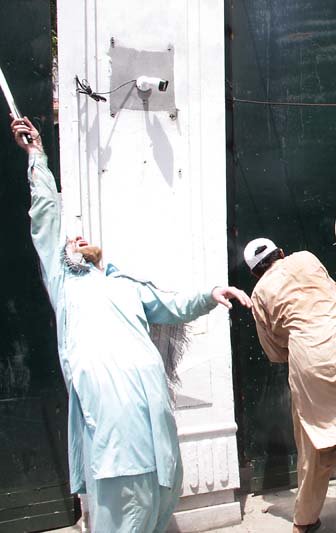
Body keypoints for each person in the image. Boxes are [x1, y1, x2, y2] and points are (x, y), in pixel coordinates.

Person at [10, 116, 252, 532]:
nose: (76, 240)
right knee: (123, 501)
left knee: (163, 489)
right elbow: (47, 218)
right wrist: (37, 157)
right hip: (112, 417)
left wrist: (211, 294)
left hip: (153, 411)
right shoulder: (64, 282)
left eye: (82, 238)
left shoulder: (122, 283)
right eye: (71, 241)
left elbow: (172, 303)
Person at [245, 238, 336, 533]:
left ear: (256, 273)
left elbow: (274, 352)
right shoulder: (306, 256)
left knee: (312, 448)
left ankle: (304, 524)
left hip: (307, 361)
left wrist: (298, 341)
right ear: (281, 253)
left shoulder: (259, 293)